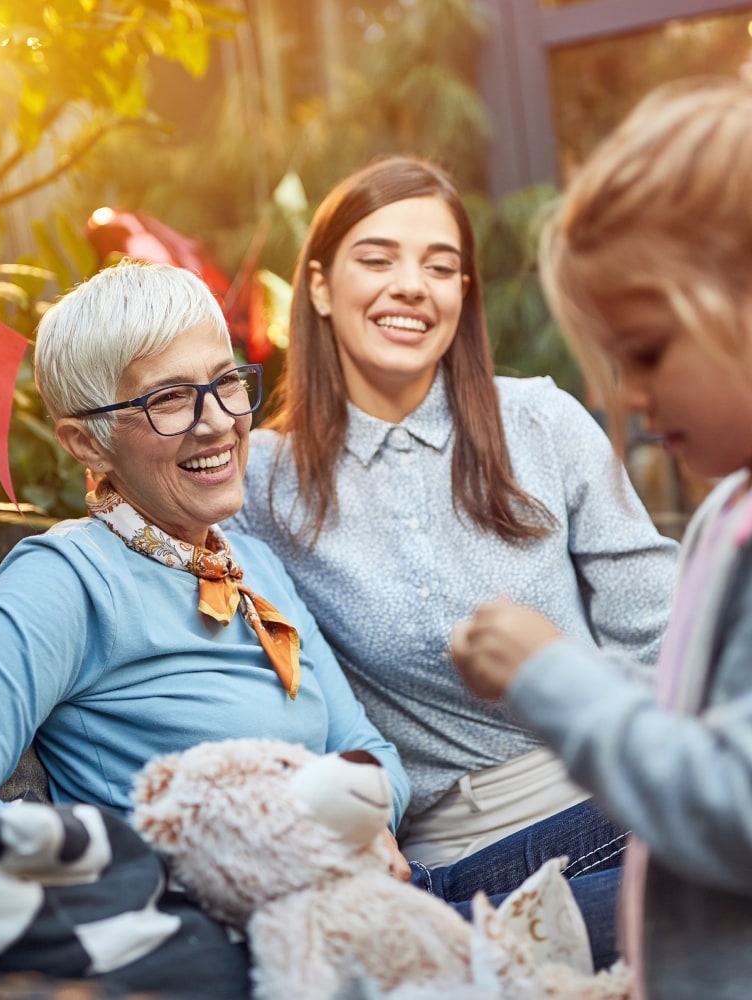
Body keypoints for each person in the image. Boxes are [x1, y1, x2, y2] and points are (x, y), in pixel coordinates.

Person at [0, 259, 622, 980]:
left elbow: (370, 748)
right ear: (87, 442)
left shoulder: (251, 566)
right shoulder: (65, 580)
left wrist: (356, 816)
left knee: (695, 816)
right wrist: (159, 886)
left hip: (395, 895)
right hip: (289, 953)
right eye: (170, 400)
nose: (218, 423)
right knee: (702, 887)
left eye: (225, 382)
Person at [227, 154, 679, 867]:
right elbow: (154, 563)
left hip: (618, 793)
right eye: (377, 260)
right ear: (318, 286)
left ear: (463, 294)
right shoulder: (261, 480)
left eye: (441, 268)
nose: (411, 286)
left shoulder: (540, 421)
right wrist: (1, 598)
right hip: (459, 852)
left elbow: (663, 631)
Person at [450, 75, 752, 999]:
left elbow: (734, 806)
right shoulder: (725, 512)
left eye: (650, 350)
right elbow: (697, 727)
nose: (626, 394)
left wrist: (557, 679)